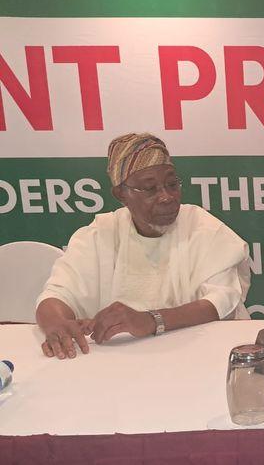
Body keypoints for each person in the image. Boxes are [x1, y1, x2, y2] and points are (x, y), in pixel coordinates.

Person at [36, 133, 251, 360]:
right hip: (117, 365)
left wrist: (150, 320)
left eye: (171, 184)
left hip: (196, 357)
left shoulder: (204, 229)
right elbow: (56, 296)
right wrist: (58, 325)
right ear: (122, 194)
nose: (167, 197)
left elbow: (219, 303)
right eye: (150, 189)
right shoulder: (100, 234)